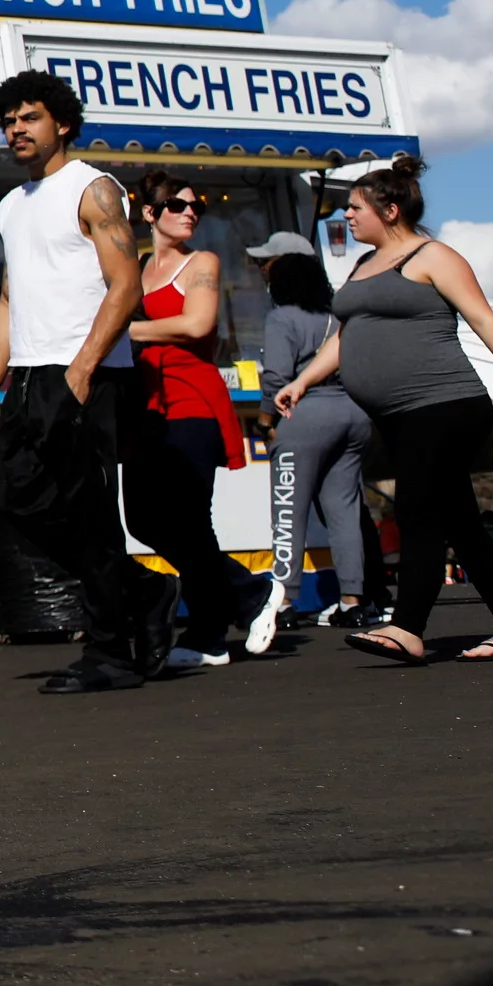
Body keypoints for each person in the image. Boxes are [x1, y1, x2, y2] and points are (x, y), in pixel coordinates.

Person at [271, 157, 493, 665]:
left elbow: (486, 321)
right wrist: (302, 380)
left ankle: (407, 627)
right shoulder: (362, 267)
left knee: (417, 509)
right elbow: (344, 338)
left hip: (446, 404)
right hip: (398, 416)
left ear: (390, 209)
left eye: (356, 207)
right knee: (462, 527)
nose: (348, 217)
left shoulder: (434, 257)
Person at [0, 71, 177, 694]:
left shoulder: (95, 190)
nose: (16, 130)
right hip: (27, 375)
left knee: (89, 513)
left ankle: (110, 653)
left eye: (28, 118)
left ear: (62, 124)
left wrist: (82, 369)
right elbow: (8, 299)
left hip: (86, 372)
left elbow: (127, 286)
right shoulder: (10, 204)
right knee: (14, 505)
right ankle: (144, 590)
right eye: (8, 121)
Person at [119, 174, 284, 671]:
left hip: (192, 399)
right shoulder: (136, 268)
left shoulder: (203, 263)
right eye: (176, 205)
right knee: (143, 519)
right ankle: (235, 605)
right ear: (149, 214)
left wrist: (126, 331)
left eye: (197, 206)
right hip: (145, 405)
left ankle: (223, 619)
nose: (190, 212)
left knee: (190, 520)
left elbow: (197, 324)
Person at [254, 232, 387, 628]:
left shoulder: (281, 318)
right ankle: (353, 599)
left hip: (304, 415)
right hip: (351, 412)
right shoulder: (337, 319)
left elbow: (277, 375)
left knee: (288, 512)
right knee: (344, 510)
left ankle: (282, 600)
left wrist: (266, 421)